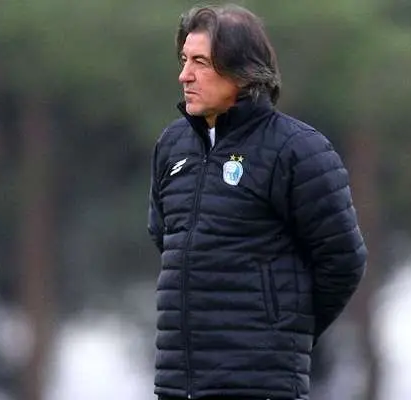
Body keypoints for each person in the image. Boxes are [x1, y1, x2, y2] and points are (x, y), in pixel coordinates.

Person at [147, 4, 367, 400]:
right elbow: (166, 238)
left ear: (242, 71)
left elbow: (343, 261)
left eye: (200, 62)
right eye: (184, 60)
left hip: (260, 384)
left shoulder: (298, 150)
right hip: (178, 385)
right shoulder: (172, 145)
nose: (184, 75)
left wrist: (283, 331)